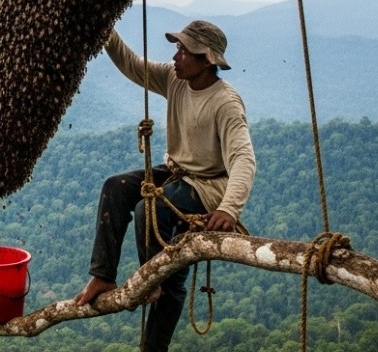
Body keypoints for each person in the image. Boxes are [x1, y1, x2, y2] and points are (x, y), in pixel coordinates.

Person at [74, 20, 256, 351]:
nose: (176, 56)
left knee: (151, 211)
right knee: (115, 187)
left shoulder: (225, 102)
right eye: (177, 48)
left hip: (207, 185)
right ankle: (103, 275)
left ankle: (152, 281)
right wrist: (105, 30)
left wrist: (229, 208)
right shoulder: (175, 79)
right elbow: (132, 65)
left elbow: (243, 159)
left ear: (207, 61)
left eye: (184, 51)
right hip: (176, 173)